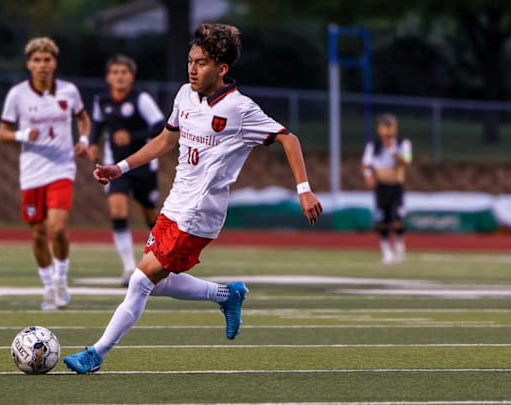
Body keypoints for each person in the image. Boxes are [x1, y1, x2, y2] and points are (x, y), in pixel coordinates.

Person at [63, 23, 322, 374]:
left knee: (141, 280)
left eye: (201, 62)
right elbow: (164, 141)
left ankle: (96, 353)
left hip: (202, 212)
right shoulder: (185, 95)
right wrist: (119, 168)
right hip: (175, 203)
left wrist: (304, 191)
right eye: (190, 61)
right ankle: (226, 295)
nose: (192, 68)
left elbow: (289, 139)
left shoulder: (240, 109)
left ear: (222, 68)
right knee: (156, 281)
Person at [0, 37, 91, 310]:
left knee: (58, 228)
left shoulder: (69, 91)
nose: (42, 65)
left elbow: (83, 118)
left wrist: (83, 141)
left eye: (47, 60)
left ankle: (61, 280)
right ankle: (48, 287)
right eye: (37, 60)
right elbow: (1, 132)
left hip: (62, 167)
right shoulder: (17, 95)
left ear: (54, 63)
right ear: (29, 64)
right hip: (31, 171)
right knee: (38, 234)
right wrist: (23, 134)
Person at [88, 54, 165, 286]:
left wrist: (132, 136)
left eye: (124, 72)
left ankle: (161, 261)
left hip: (143, 165)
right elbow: (98, 124)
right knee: (117, 209)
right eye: (115, 72)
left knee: (151, 215)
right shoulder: (101, 100)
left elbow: (160, 125)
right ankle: (129, 268)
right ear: (107, 77)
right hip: (115, 167)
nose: (120, 77)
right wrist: (92, 143)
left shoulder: (140, 98)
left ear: (132, 76)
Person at [361, 113, 412, 264]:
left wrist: (392, 151)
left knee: (397, 218)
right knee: (382, 220)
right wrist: (368, 174)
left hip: (396, 186)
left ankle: (399, 244)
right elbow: (366, 164)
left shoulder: (402, 144)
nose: (387, 130)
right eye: (384, 126)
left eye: (389, 126)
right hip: (381, 187)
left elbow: (406, 162)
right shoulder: (373, 146)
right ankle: (386, 251)